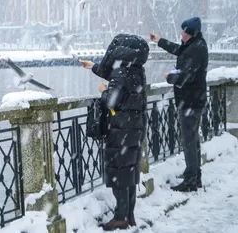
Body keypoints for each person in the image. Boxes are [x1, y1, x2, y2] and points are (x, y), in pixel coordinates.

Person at [80, 34, 149, 231]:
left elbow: (112, 101)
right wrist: (94, 66)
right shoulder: (136, 69)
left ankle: (120, 218)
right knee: (130, 171)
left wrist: (103, 90)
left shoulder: (121, 72)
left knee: (120, 172)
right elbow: (122, 84)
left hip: (120, 129)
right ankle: (129, 215)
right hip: (135, 127)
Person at [150, 16, 208, 192]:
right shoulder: (194, 45)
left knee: (189, 141)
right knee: (193, 139)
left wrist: (170, 77)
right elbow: (178, 50)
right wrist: (160, 41)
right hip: (192, 100)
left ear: (189, 33)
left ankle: (191, 180)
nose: (180, 32)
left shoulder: (197, 49)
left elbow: (186, 77)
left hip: (190, 101)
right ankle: (194, 174)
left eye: (183, 30)